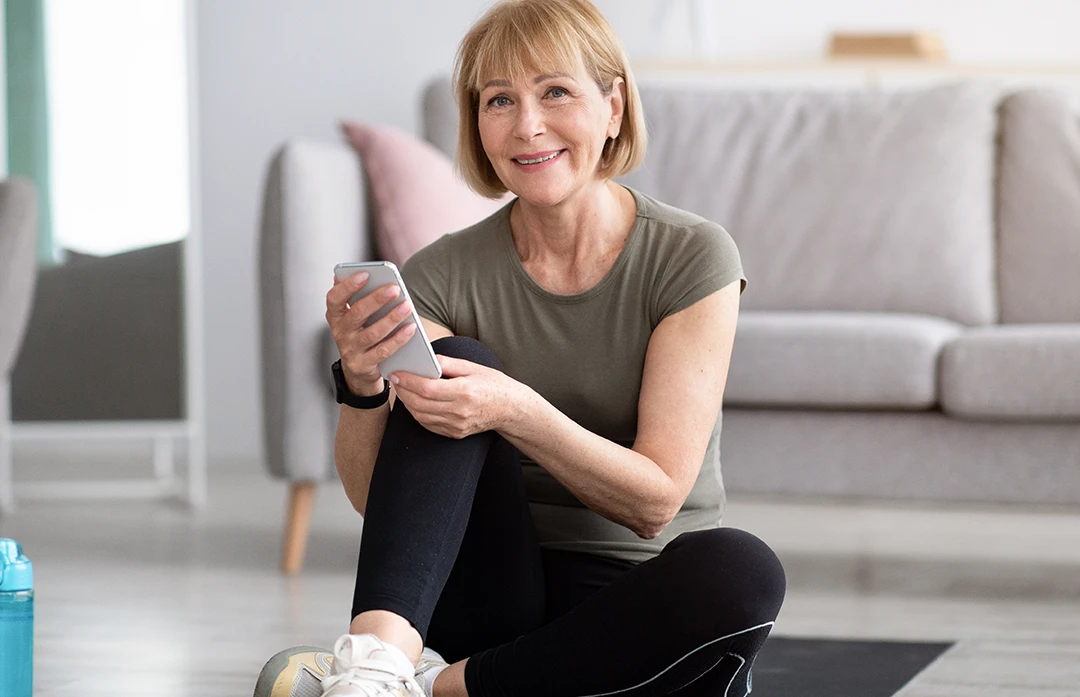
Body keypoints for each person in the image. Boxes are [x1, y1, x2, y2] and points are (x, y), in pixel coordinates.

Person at [258, 1, 785, 696]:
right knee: (462, 359)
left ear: (613, 107)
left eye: (556, 91)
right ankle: (374, 670)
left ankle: (437, 688)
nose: (527, 124)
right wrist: (361, 384)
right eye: (499, 99)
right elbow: (377, 501)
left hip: (631, 597)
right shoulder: (441, 272)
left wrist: (513, 409)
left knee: (743, 569)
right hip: (493, 594)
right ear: (478, 124)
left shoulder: (692, 255)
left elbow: (655, 502)